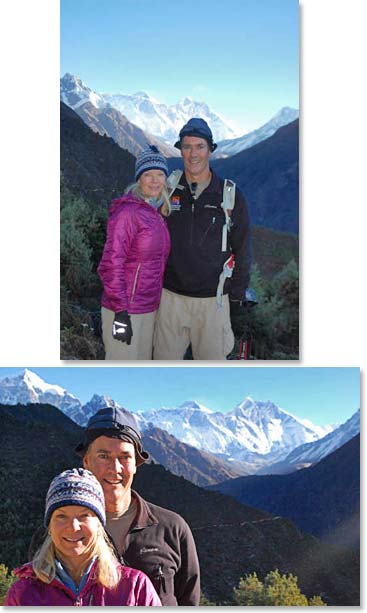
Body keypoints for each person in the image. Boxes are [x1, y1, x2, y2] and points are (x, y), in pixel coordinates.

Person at [28, 407, 201, 606]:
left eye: (125, 457)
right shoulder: (53, 536)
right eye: (104, 456)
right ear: (86, 461)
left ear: (136, 463)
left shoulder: (172, 529)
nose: (115, 468)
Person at [153, 118, 251, 360]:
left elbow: (243, 248)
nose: (193, 153)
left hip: (213, 302)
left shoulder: (230, 196)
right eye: (187, 147)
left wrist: (237, 293)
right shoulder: (168, 189)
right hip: (169, 299)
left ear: (210, 150)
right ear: (180, 149)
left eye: (200, 146)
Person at [5, 468, 161, 606]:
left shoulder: (135, 588)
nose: (73, 527)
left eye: (84, 515)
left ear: (99, 525)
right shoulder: (23, 593)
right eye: (61, 516)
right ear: (49, 526)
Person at [98, 145, 171, 360]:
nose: (155, 180)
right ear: (139, 178)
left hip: (148, 309)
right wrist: (120, 312)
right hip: (124, 310)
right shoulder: (127, 213)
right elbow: (111, 263)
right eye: (148, 174)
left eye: (160, 174)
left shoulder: (154, 213)